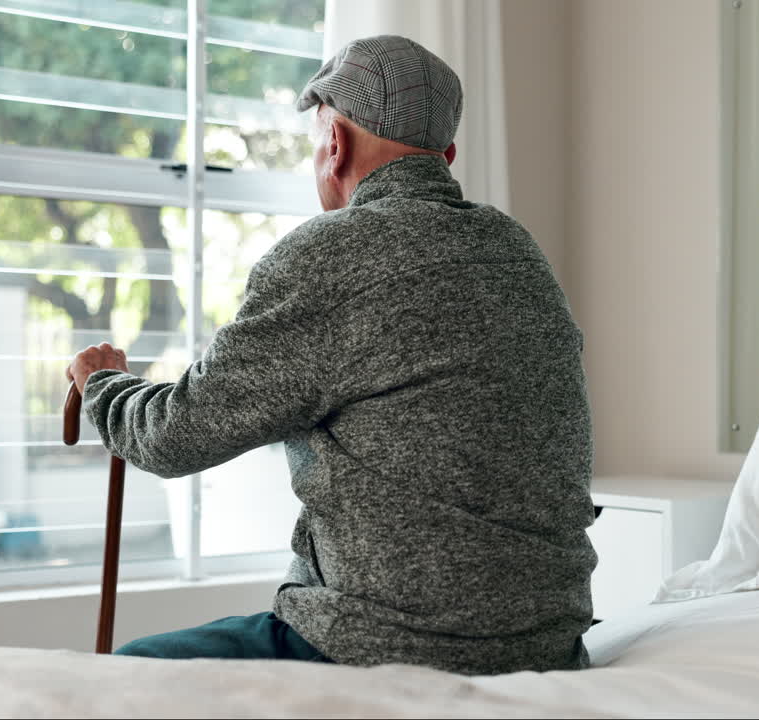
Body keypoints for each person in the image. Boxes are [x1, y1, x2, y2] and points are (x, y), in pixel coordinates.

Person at [66, 34, 596, 675]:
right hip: (545, 645)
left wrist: (105, 385)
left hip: (388, 643)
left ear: (335, 143)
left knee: (116, 677)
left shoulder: (329, 254)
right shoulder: (518, 253)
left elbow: (173, 437)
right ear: (446, 156)